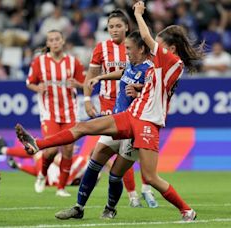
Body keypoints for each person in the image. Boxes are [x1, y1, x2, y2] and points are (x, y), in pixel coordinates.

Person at [15, 1, 202, 221]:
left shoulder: (173, 62)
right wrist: (136, 87)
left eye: (158, 44)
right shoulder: (159, 65)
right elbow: (151, 83)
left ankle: (187, 210)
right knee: (83, 127)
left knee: (149, 177)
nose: (154, 47)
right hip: (131, 115)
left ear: (170, 49)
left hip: (147, 123)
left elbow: (147, 39)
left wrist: (139, 14)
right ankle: (38, 144)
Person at [54, 30, 156, 221]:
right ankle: (79, 207)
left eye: (129, 48)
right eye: (125, 48)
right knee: (95, 159)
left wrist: (140, 93)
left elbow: (156, 95)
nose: (125, 52)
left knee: (115, 175)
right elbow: (124, 73)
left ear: (142, 48)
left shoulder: (151, 69)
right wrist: (101, 77)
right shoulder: (131, 65)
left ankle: (110, 208)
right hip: (116, 121)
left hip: (134, 129)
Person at [84, 9, 148, 207]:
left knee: (124, 152)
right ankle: (133, 194)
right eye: (111, 26)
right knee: (106, 151)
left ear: (127, 27)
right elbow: (91, 75)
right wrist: (86, 99)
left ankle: (141, 189)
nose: (114, 30)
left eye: (118, 26)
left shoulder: (136, 47)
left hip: (130, 107)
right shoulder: (101, 48)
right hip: (107, 106)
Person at [26, 29, 85, 197]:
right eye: (51, 40)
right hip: (49, 113)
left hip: (70, 113)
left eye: (57, 39)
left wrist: (79, 85)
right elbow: (29, 82)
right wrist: (38, 87)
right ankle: (42, 175)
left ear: (63, 40)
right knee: (50, 150)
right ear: (47, 43)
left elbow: (85, 82)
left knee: (67, 150)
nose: (55, 42)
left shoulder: (74, 62)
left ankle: (61, 188)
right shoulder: (40, 62)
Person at [0, 137, 95, 187]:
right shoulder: (89, 166)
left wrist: (66, 152)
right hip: (54, 180)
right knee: (42, 160)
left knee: (38, 153)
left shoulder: (81, 160)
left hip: (54, 177)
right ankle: (17, 165)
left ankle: (3, 150)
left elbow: (58, 161)